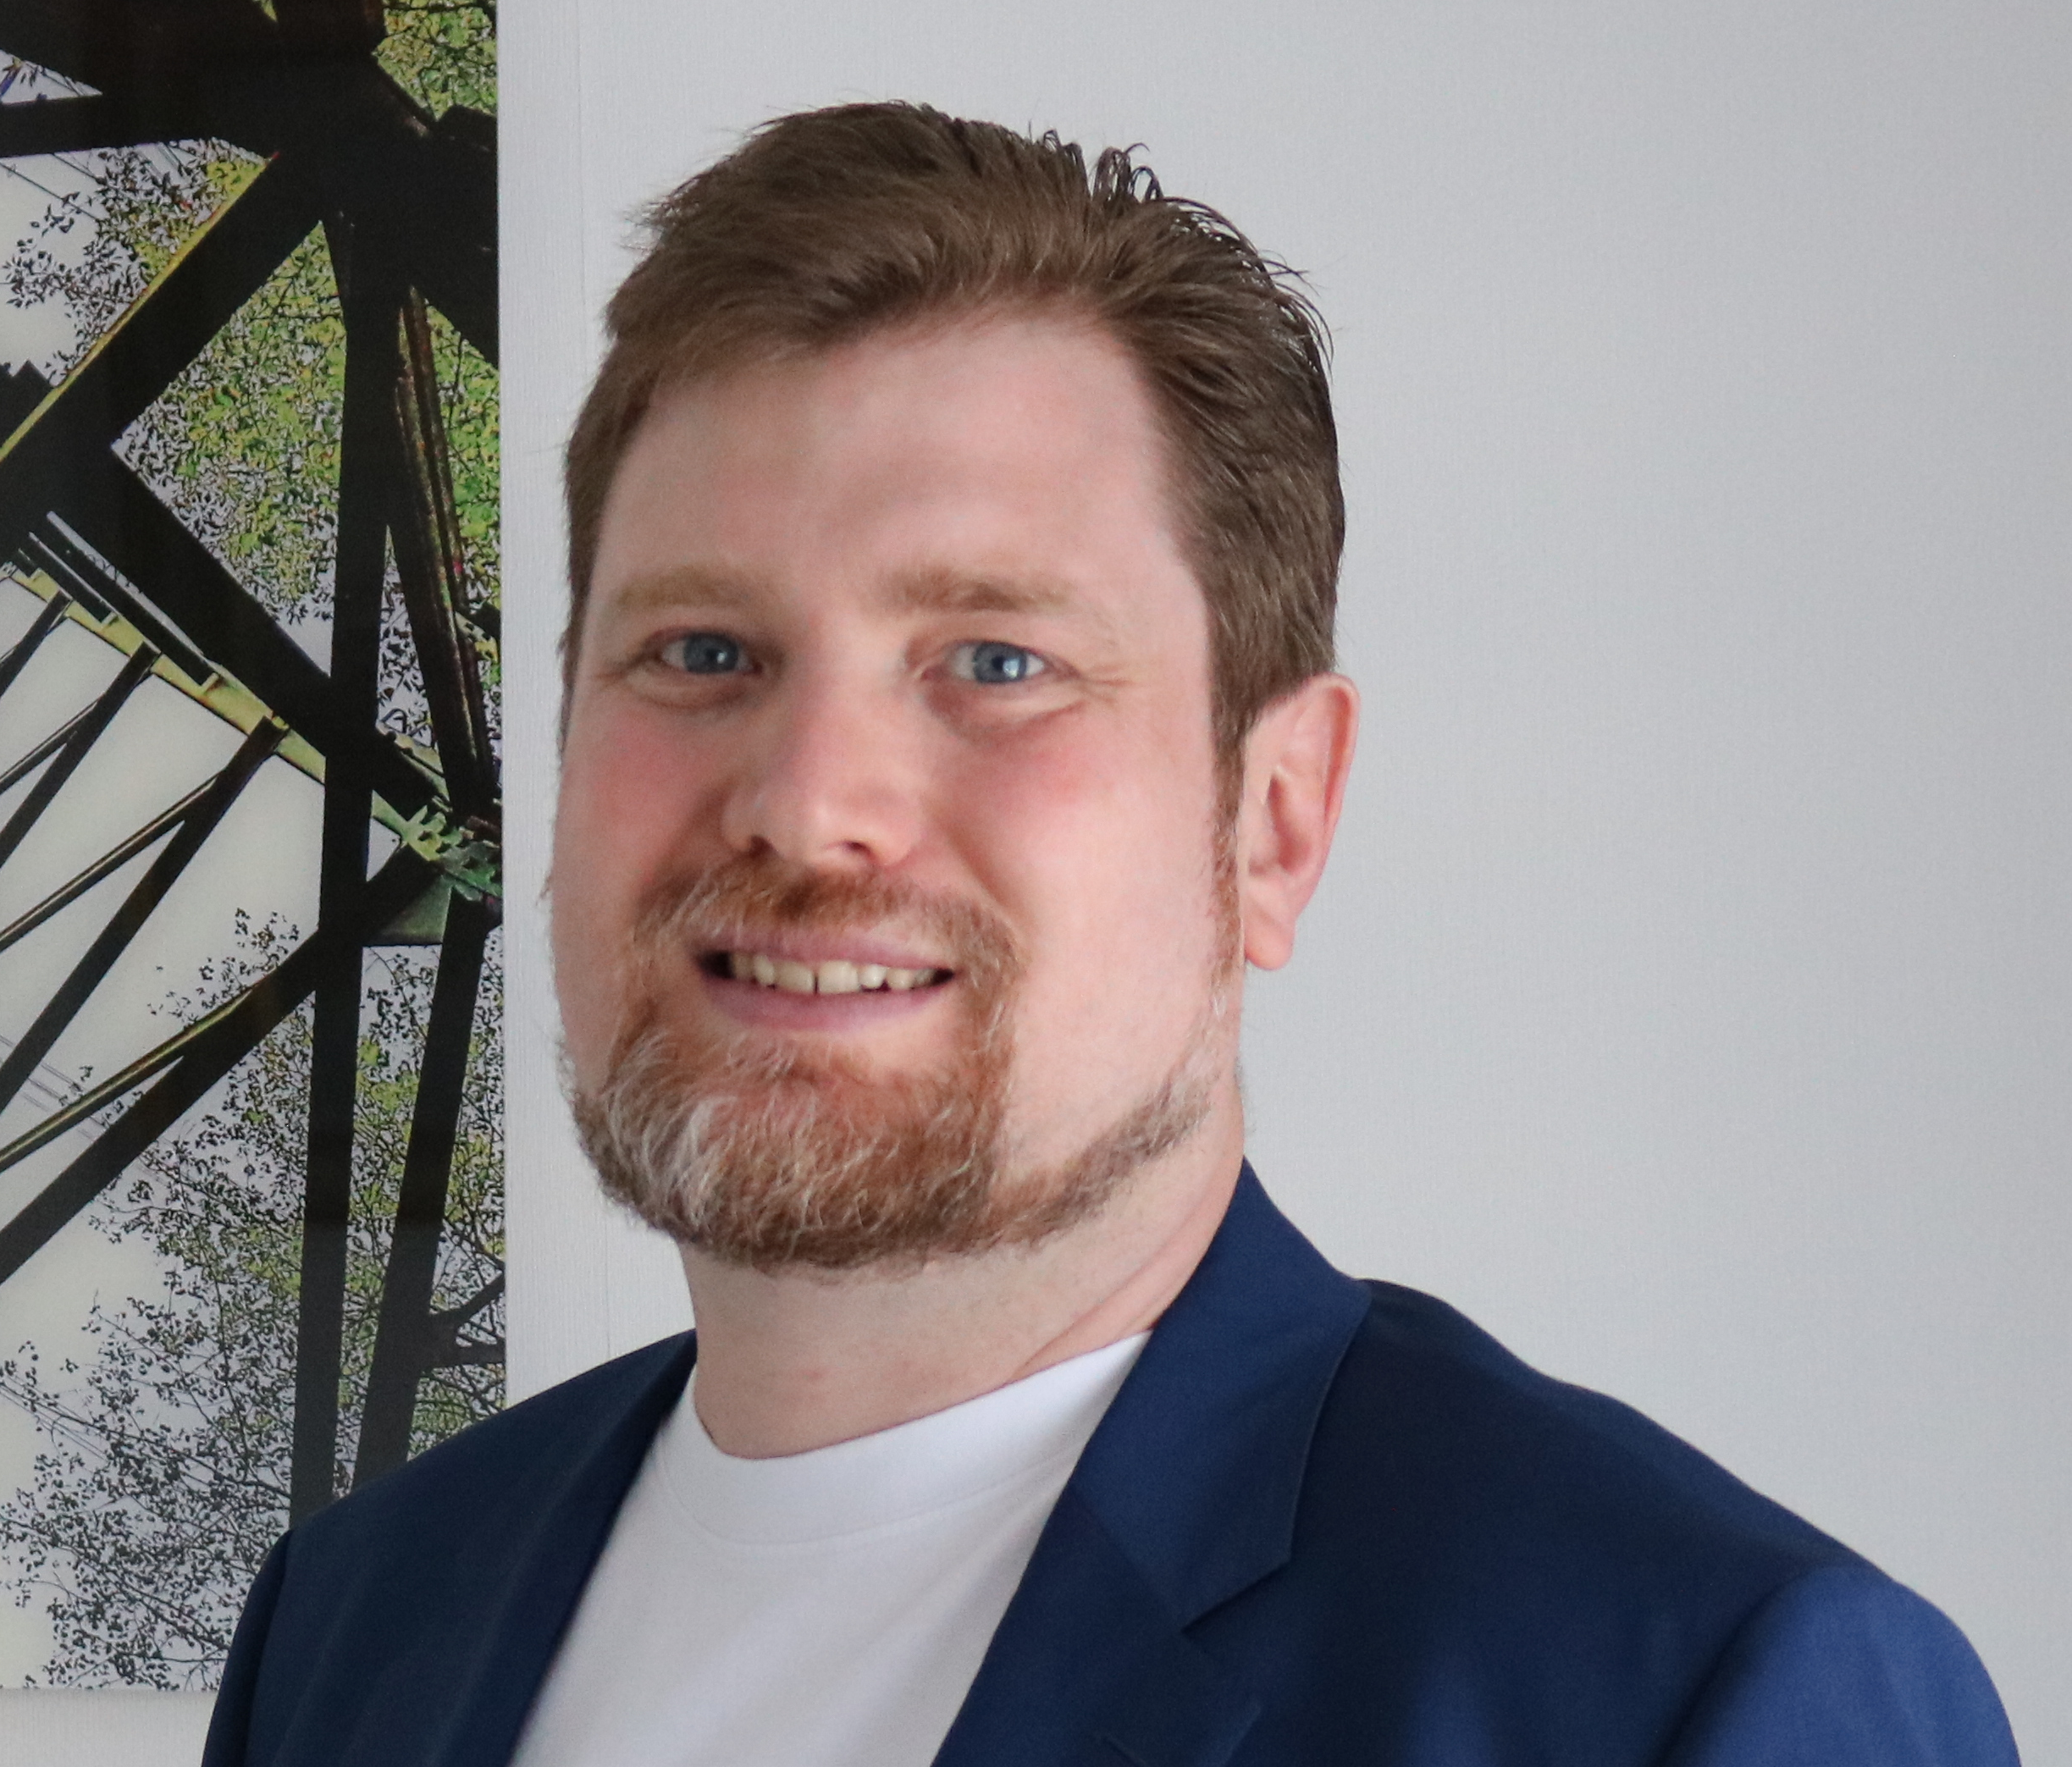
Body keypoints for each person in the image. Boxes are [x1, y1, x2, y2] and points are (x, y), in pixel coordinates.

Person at [202, 102, 2018, 1767]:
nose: (806, 802)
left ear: (1273, 818)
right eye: (701, 653)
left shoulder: (1685, 1689)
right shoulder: (352, 1625)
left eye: (996, 660)